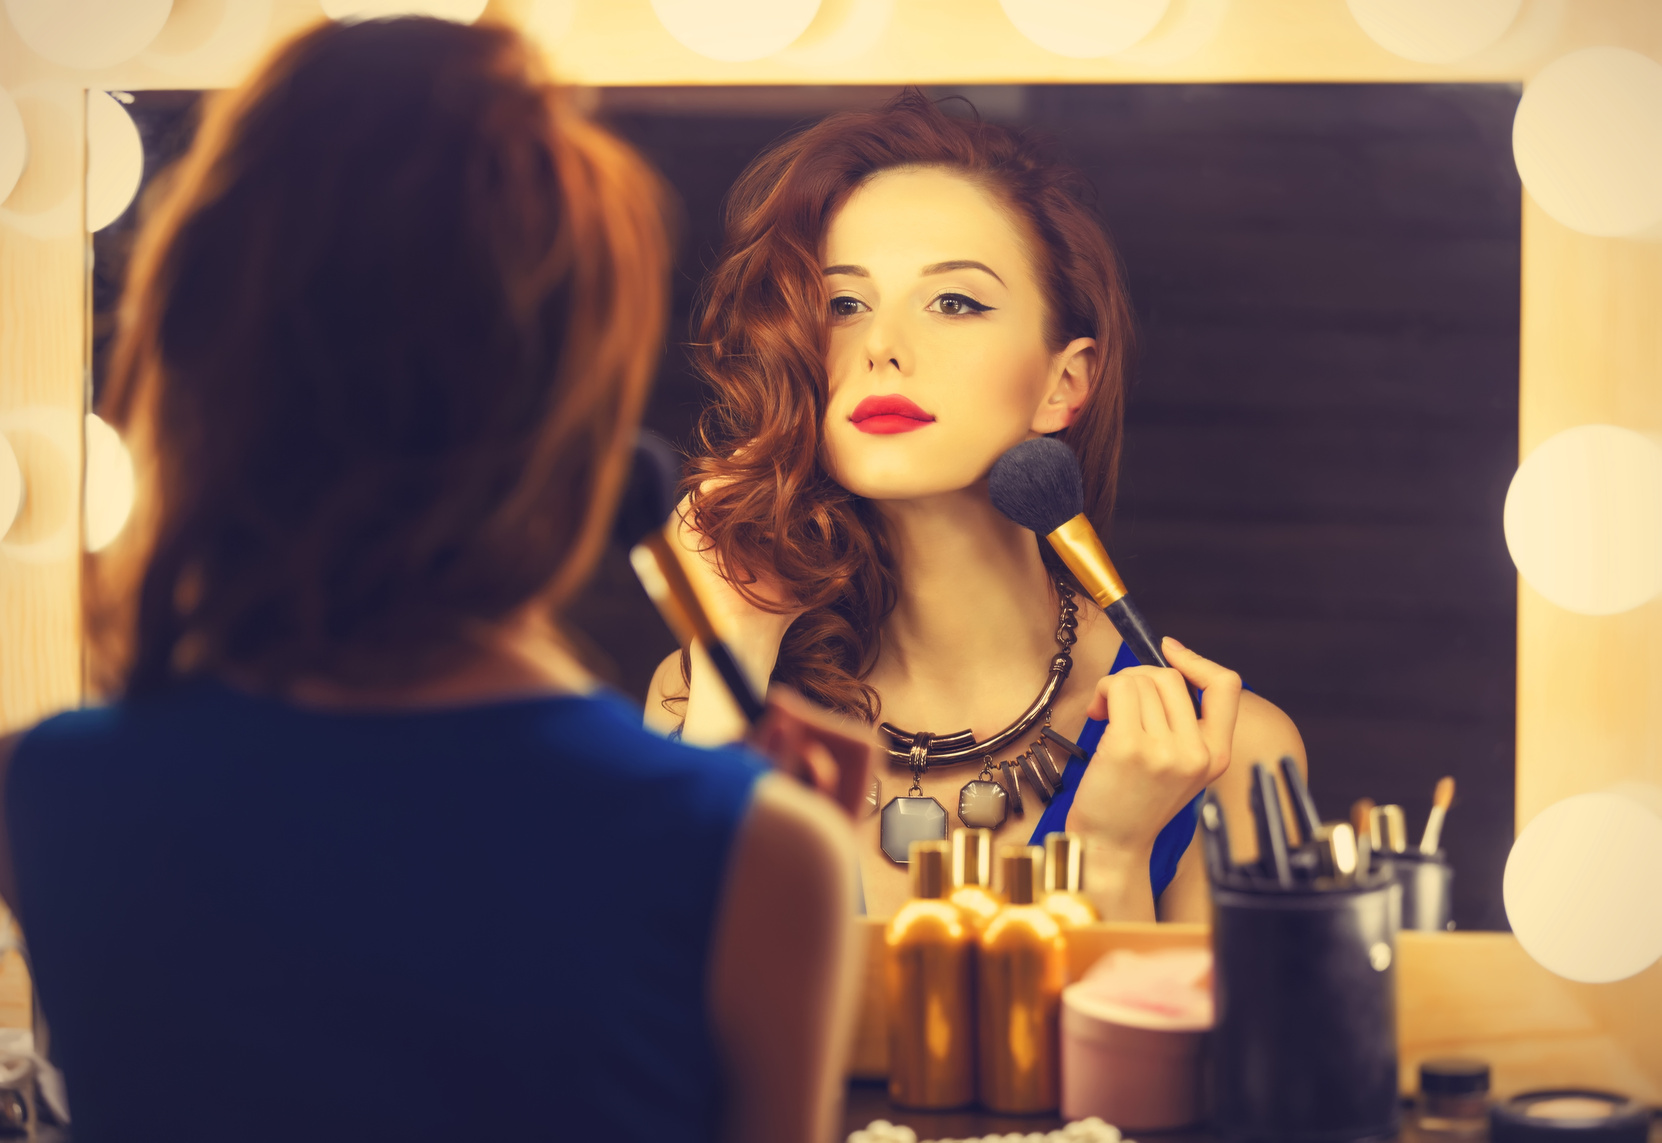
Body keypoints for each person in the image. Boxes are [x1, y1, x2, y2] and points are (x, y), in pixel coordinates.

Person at [0, 18, 864, 1143]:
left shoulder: (43, 795)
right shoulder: (761, 856)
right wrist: (771, 863)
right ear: (578, 415)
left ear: (198, 358)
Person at [649, 91, 1307, 920]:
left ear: (1064, 383)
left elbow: (1200, 1055)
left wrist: (1110, 855)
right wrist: (731, 648)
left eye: (954, 301)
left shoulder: (1231, 752)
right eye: (843, 304)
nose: (882, 345)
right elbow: (668, 1024)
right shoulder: (698, 693)